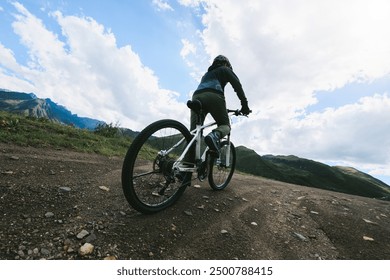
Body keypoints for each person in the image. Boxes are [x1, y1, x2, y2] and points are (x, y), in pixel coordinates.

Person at [189, 55, 251, 156]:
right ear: (226, 63)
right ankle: (214, 136)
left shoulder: (206, 75)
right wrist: (245, 106)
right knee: (225, 125)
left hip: (196, 96)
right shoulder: (225, 69)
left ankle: (185, 165)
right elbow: (237, 85)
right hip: (214, 94)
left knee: (194, 134)